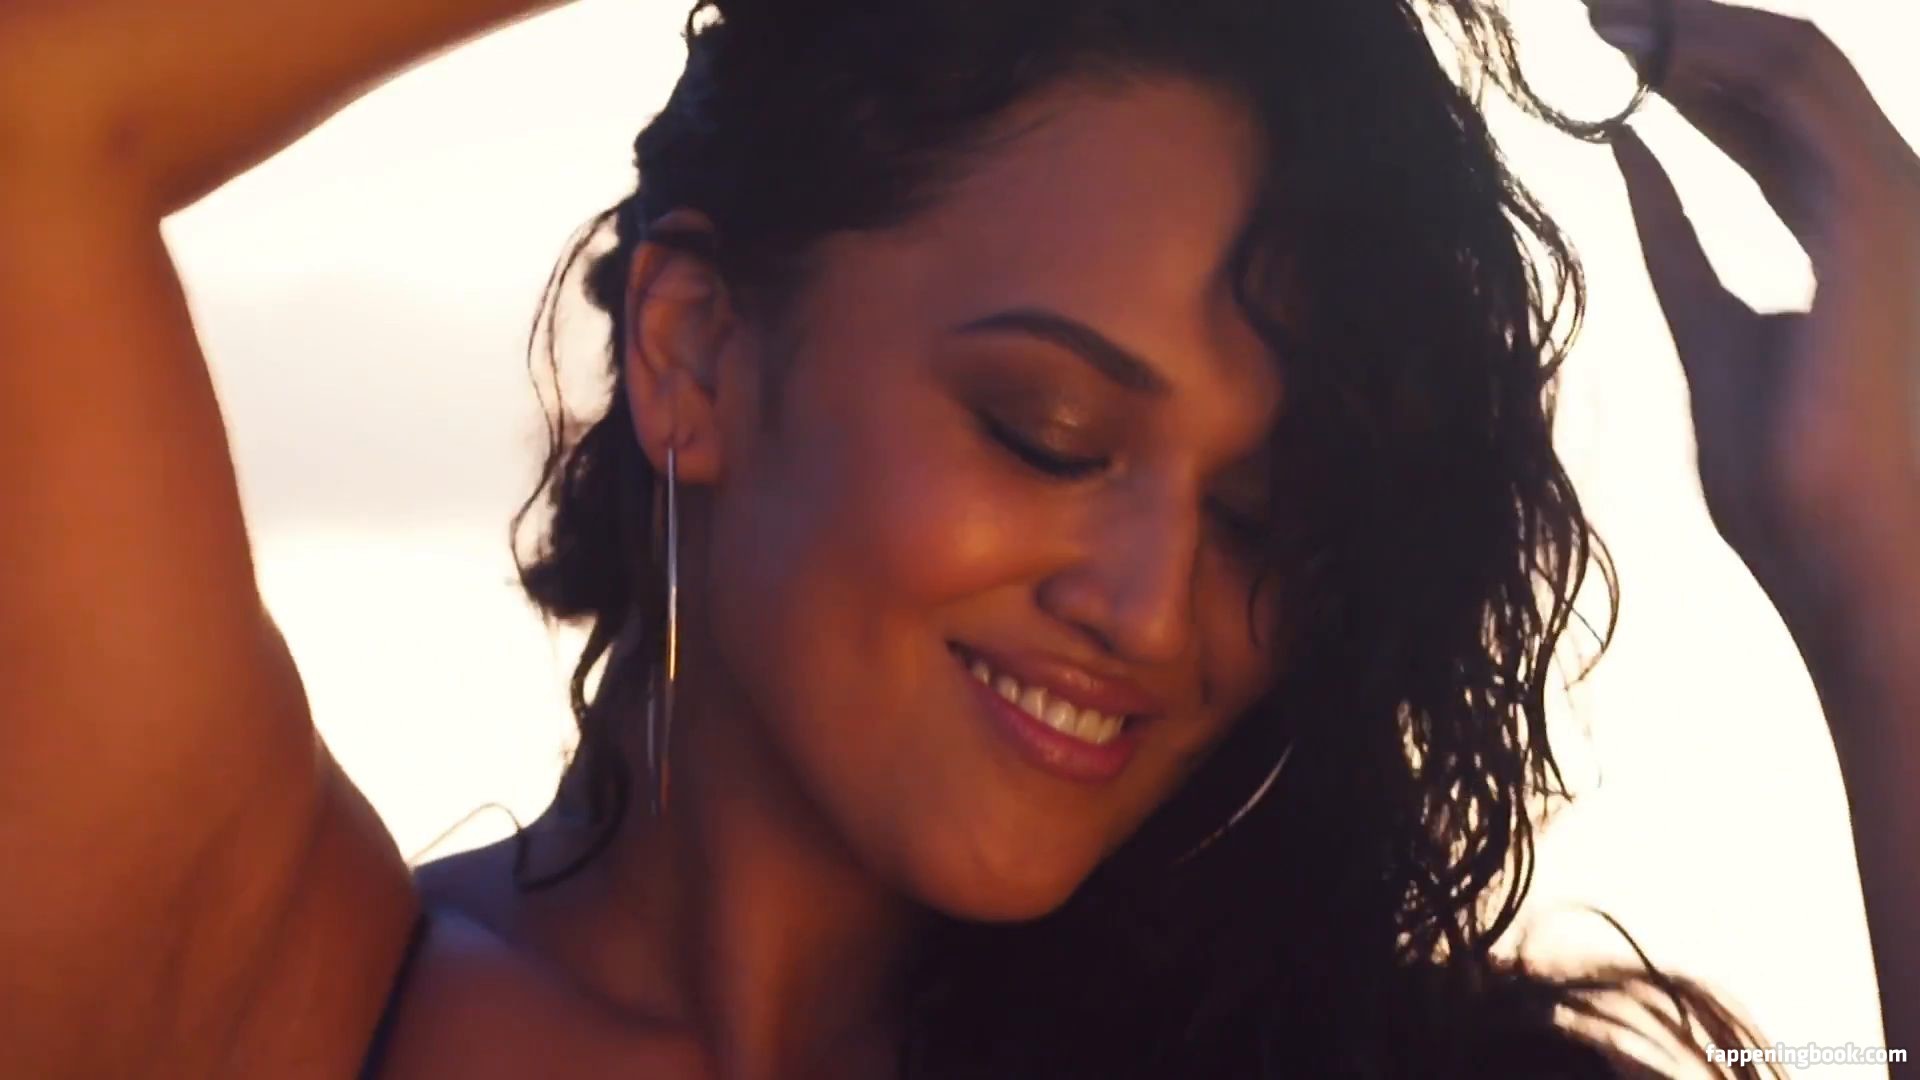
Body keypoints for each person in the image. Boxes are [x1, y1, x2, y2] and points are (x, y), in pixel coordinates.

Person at [1, 0, 1914, 1075]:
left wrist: (1890, 593)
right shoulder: (276, 1002)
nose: (1152, 607)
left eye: (1262, 518)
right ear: (694, 352)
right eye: (1048, 434)